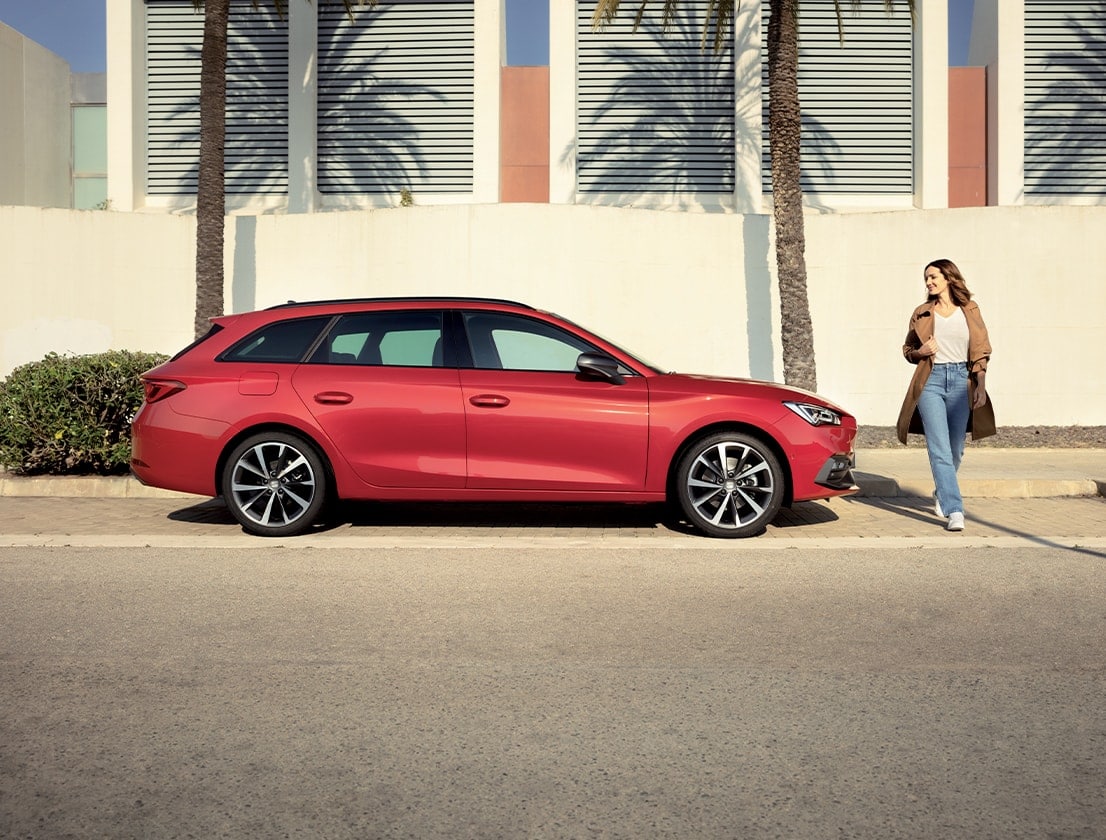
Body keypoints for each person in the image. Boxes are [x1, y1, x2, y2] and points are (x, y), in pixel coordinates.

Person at [896, 259, 995, 531]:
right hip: (931, 381)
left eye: (933, 276)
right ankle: (955, 510)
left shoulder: (970, 310)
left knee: (956, 449)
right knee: (939, 449)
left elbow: (982, 349)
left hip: (962, 381)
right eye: (926, 278)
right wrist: (921, 353)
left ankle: (941, 491)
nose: (928, 282)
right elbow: (907, 349)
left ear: (949, 277)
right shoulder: (923, 312)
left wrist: (981, 385)